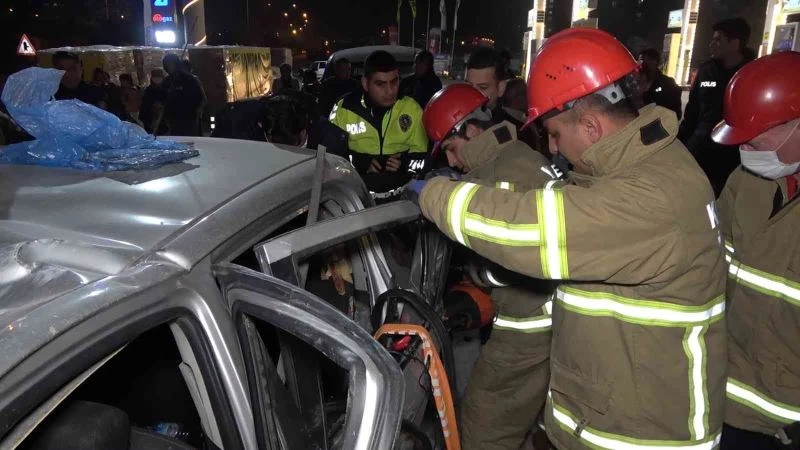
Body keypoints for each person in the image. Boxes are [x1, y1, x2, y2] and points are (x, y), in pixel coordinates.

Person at [409, 28, 727, 450]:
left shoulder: (651, 194)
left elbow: (536, 230)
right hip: (615, 414)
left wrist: (432, 194)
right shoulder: (649, 168)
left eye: (555, 135)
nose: (553, 149)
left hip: (638, 436)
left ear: (592, 126)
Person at [424, 83, 560, 450]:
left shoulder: (500, 177)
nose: (451, 162)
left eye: (451, 149)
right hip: (551, 323)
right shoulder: (519, 156)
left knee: (481, 432)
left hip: (528, 328)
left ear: (469, 131)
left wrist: (475, 276)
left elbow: (516, 260)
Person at [711, 51, 800, 450]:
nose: (745, 147)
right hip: (723, 396)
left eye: (756, 135)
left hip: (785, 421)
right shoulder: (745, 181)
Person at [329, 50, 428, 199]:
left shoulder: (412, 109)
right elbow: (329, 162)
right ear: (365, 83)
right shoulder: (344, 109)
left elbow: (424, 161)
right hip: (358, 199)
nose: (390, 91)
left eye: (394, 82)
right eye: (380, 84)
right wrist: (357, 161)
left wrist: (405, 164)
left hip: (402, 198)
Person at [679, 17, 755, 196]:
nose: (711, 44)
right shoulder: (706, 72)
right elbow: (691, 114)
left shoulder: (751, 74)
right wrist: (680, 145)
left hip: (734, 159)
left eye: (718, 40)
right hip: (700, 153)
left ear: (734, 43)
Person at [466, 47, 540, 152]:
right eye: (469, 86)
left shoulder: (517, 132)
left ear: (501, 88)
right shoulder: (455, 125)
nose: (473, 94)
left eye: (483, 87)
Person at [162, 53, 205, 136]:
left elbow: (198, 97)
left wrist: (192, 111)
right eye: (167, 65)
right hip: (173, 121)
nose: (169, 67)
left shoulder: (188, 79)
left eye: (171, 64)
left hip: (188, 119)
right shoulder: (167, 81)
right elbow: (163, 98)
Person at [638, 48, 683, 120]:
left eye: (648, 62)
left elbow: (676, 114)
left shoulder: (668, 84)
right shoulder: (633, 83)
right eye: (642, 64)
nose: (644, 67)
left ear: (656, 62)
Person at [140, 69, 167, 135]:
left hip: (164, 121)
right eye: (155, 77)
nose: (157, 79)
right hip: (150, 121)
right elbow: (144, 106)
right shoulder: (148, 90)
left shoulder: (167, 89)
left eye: (159, 77)